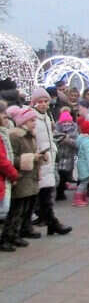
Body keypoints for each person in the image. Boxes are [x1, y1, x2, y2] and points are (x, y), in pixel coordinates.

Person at [30, 88, 71, 235]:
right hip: (40, 158)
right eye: (40, 102)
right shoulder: (32, 116)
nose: (43, 104)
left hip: (49, 157)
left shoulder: (47, 116)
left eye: (45, 101)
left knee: (46, 192)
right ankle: (51, 222)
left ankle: (49, 222)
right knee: (41, 193)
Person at [2, 107, 43, 250]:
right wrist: (31, 158)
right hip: (21, 178)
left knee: (25, 208)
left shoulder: (30, 136)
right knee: (16, 209)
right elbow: (12, 157)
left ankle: (17, 234)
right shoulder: (16, 137)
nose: (34, 123)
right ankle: (7, 236)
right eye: (32, 120)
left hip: (30, 177)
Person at [0, 101, 20, 251]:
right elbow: (2, 160)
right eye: (3, 114)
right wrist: (13, 173)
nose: (6, 117)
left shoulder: (4, 133)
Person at [74, 118, 89, 207]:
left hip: (82, 163)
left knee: (84, 181)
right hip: (86, 165)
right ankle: (78, 199)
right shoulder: (88, 142)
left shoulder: (81, 139)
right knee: (84, 182)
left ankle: (83, 197)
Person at [55, 111, 78, 201]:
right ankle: (58, 192)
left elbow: (76, 142)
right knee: (58, 175)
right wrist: (62, 140)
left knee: (65, 175)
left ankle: (61, 191)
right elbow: (54, 139)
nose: (66, 125)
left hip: (69, 156)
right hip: (58, 157)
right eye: (64, 122)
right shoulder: (56, 130)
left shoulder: (74, 131)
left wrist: (68, 141)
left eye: (68, 122)